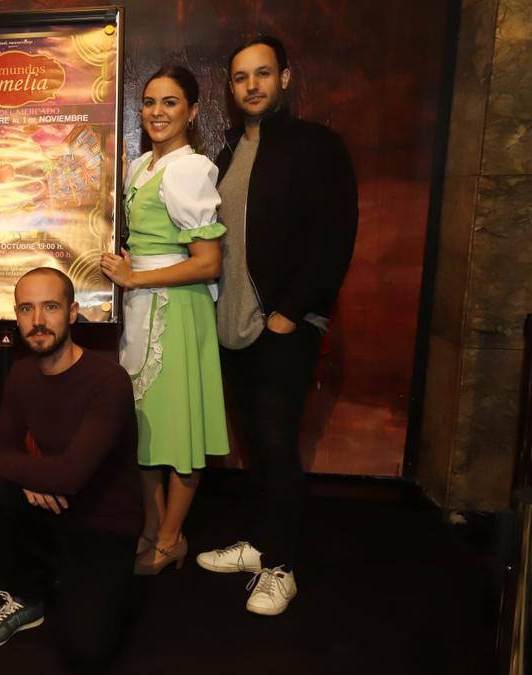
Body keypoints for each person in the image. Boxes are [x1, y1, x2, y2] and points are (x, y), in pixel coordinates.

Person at [198, 35, 357, 616]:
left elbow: (334, 235)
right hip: (233, 324)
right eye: (241, 78)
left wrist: (290, 312)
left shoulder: (318, 146)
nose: (252, 86)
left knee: (277, 444)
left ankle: (281, 566)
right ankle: (260, 544)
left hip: (283, 324)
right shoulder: (228, 151)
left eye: (263, 74)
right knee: (255, 447)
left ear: (285, 78)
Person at [0, 268, 142, 673]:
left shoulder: (108, 381)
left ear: (73, 312)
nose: (38, 320)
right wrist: (26, 473)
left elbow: (67, 476)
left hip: (106, 525)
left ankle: (79, 584)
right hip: (55, 512)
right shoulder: (24, 374)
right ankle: (28, 595)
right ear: (16, 314)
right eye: (27, 309)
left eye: (50, 307)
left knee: (85, 652)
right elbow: (4, 445)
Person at [100, 66, 230, 576]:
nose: (157, 111)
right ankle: (151, 530)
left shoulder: (188, 169)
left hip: (177, 309)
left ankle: (172, 537)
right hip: (142, 307)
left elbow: (208, 261)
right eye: (150, 102)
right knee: (145, 431)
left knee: (181, 429)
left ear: (193, 112)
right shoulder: (140, 168)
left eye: (170, 102)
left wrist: (136, 281)